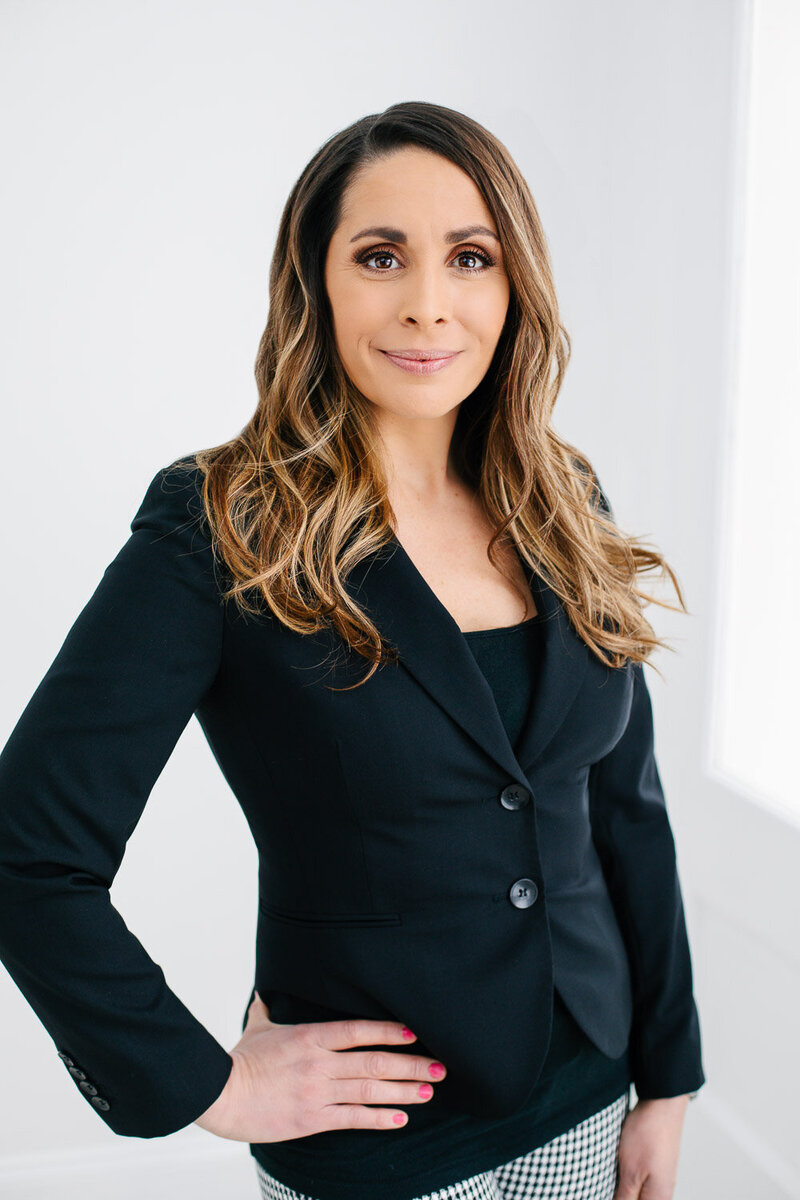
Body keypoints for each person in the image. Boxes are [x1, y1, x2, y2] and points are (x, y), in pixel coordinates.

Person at [0, 101, 705, 1200]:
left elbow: (622, 806)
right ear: (316, 282)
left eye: (468, 257)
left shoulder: (565, 500)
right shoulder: (220, 523)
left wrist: (666, 1082)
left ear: (511, 285)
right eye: (380, 256)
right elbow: (26, 851)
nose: (427, 303)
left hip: (592, 1099)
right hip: (382, 1154)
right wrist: (202, 1084)